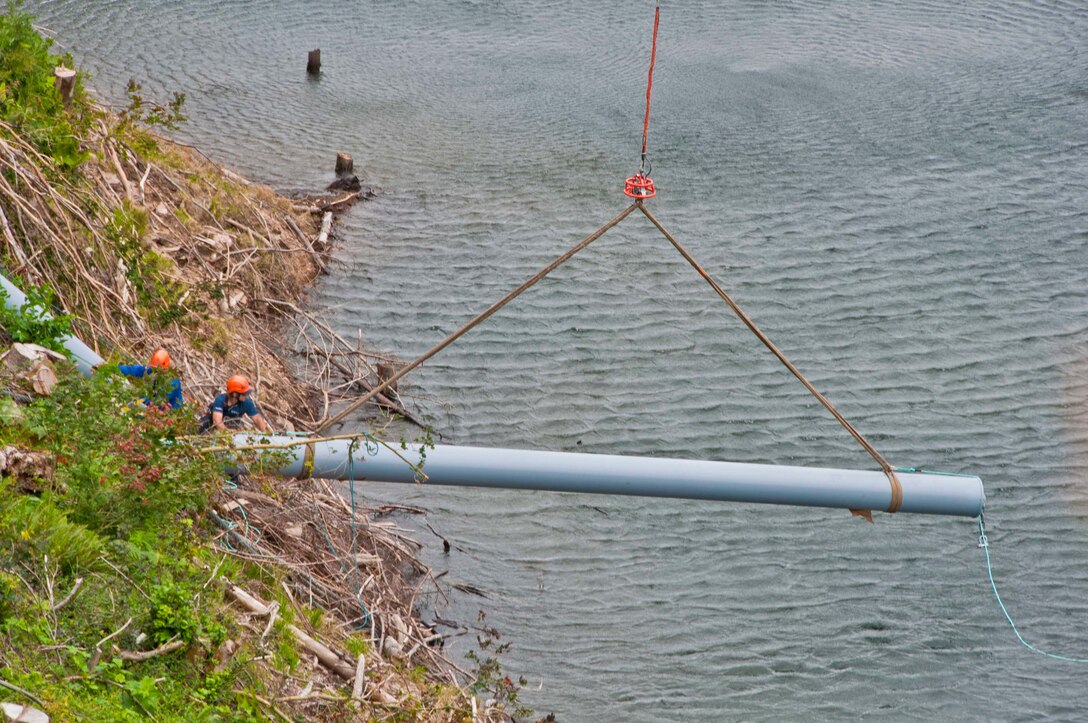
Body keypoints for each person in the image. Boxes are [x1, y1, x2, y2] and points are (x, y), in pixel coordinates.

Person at [199, 374, 270, 433]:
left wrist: (266, 433)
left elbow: (257, 418)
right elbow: (217, 422)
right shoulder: (220, 400)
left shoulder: (246, 402)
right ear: (235, 394)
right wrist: (229, 433)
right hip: (212, 428)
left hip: (230, 428)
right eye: (244, 394)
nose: (247, 396)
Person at [118, 348, 184, 410]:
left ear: (165, 368)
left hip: (169, 413)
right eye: (154, 368)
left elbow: (158, 403)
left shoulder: (172, 383)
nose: (155, 371)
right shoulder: (153, 370)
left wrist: (139, 395)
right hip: (152, 405)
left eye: (157, 370)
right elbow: (134, 370)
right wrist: (116, 368)